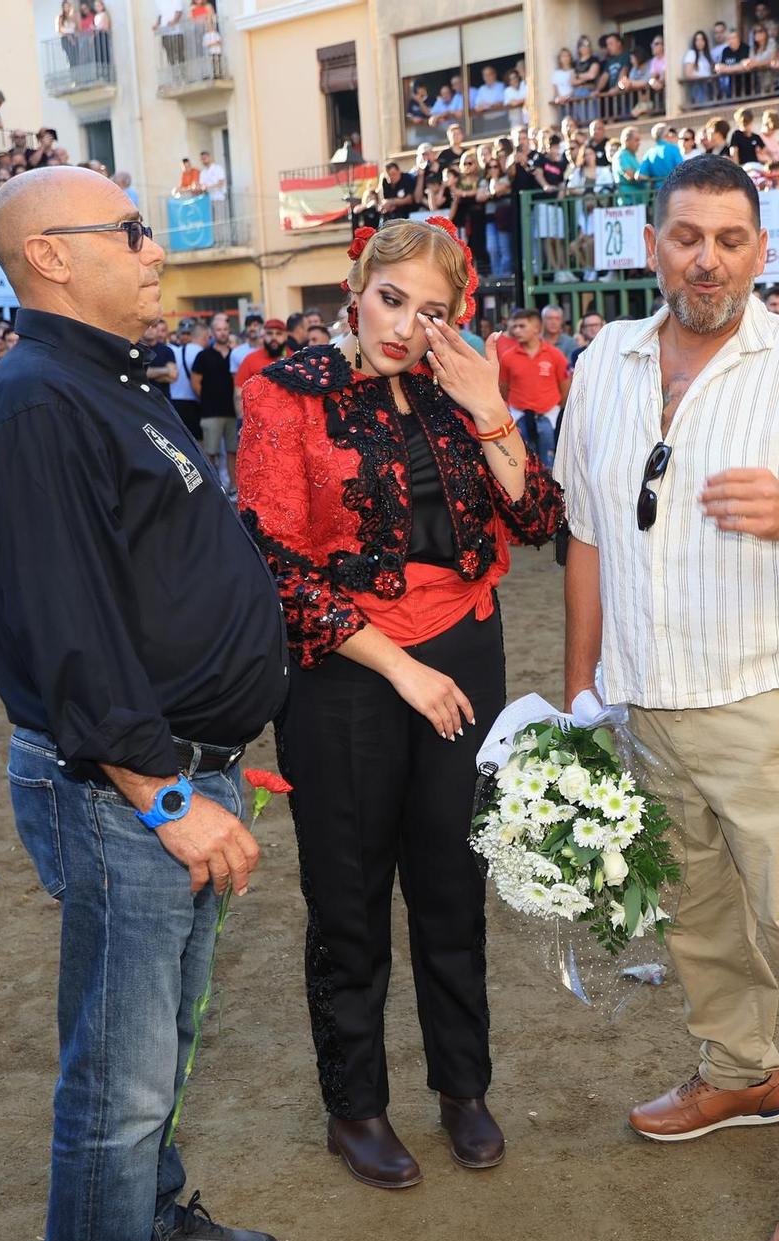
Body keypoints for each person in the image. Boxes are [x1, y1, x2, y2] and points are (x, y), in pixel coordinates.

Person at [557, 155, 779, 1241]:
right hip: (645, 694)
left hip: (769, 698)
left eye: (728, 239)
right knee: (693, 909)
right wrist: (581, 689)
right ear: (650, 246)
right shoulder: (604, 362)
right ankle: (739, 1069)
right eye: (686, 237)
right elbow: (586, 533)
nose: (706, 260)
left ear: (760, 250)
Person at [0, 166, 286, 1241]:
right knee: (120, 1072)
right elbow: (71, 631)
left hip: (168, 771)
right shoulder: (38, 403)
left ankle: (145, 1220)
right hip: (123, 788)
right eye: (132, 231)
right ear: (51, 255)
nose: (155, 251)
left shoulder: (102, 383)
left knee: (161, 1041)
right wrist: (165, 797)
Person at [237, 217, 562, 1189]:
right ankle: (357, 1107)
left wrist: (491, 407)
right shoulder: (283, 393)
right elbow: (274, 564)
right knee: (348, 895)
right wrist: (402, 668)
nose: (403, 326)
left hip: (466, 649)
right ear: (356, 287)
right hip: (344, 668)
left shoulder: (458, 389)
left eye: (430, 311)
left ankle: (464, 1087)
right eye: (390, 299)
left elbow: (537, 518)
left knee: (453, 882)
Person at [498, 306, 570, 468]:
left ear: (536, 328)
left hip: (549, 417)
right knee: (523, 465)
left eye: (522, 326)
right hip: (520, 418)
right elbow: (503, 388)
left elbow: (565, 386)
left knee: (550, 465)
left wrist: (556, 411)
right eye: (514, 326)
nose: (517, 330)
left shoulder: (555, 354)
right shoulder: (507, 357)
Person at [191, 324, 237, 493]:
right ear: (212, 333)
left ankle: (234, 487)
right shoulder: (203, 356)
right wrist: (208, 399)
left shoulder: (235, 354)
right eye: (219, 330)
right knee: (210, 453)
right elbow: (195, 382)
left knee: (234, 452)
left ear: (229, 331)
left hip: (233, 412)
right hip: (210, 412)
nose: (222, 332)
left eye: (225, 329)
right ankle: (214, 490)